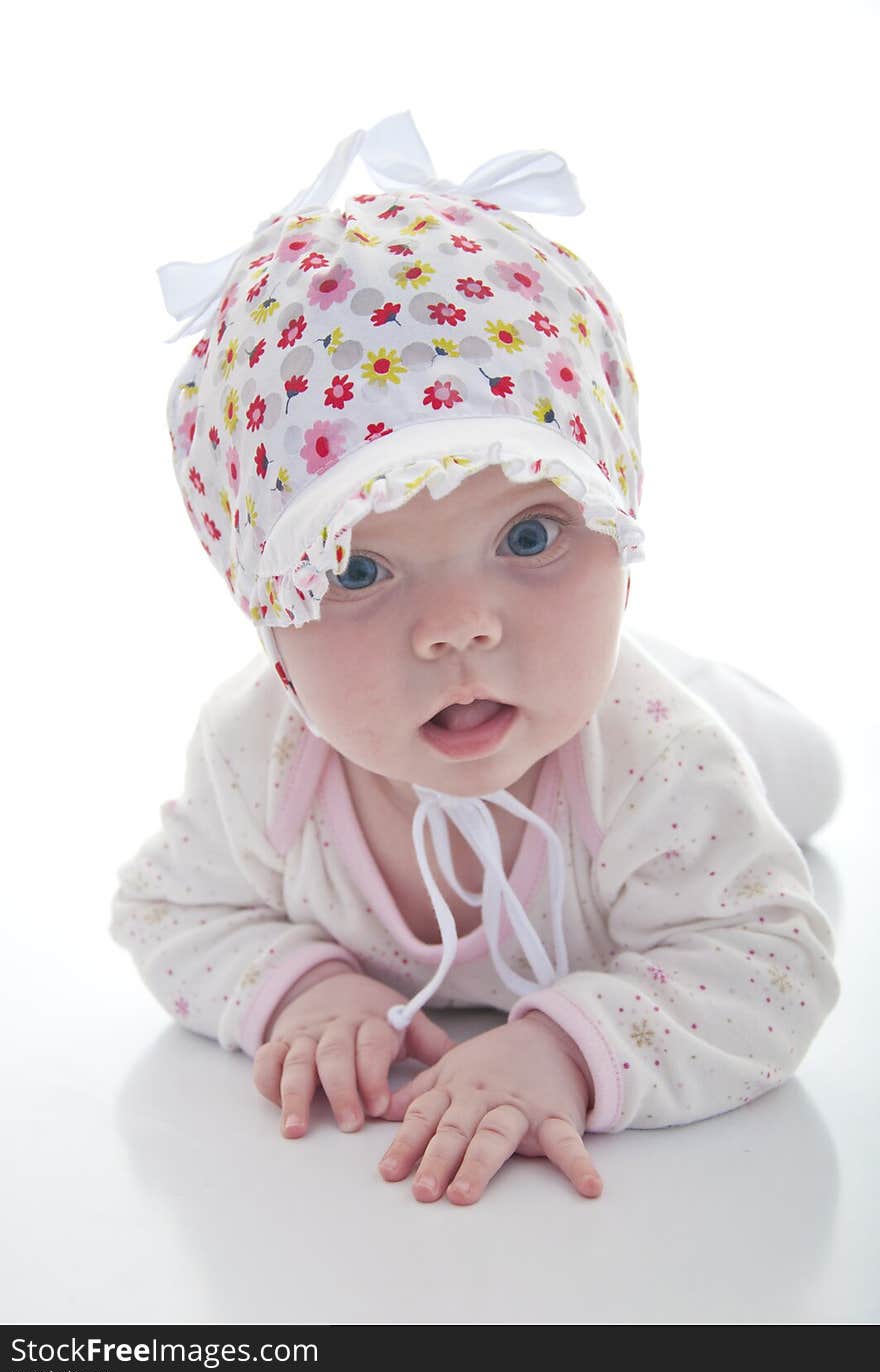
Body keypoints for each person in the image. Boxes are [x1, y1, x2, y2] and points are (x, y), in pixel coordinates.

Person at [110, 110, 842, 1207]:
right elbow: (168, 910)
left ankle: (711, 679)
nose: (459, 627)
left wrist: (564, 1048)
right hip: (567, 688)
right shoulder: (256, 757)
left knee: (808, 776)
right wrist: (297, 987)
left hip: (676, 723)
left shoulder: (655, 756)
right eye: (359, 571)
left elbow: (771, 962)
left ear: (619, 540)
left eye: (531, 537)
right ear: (269, 625)